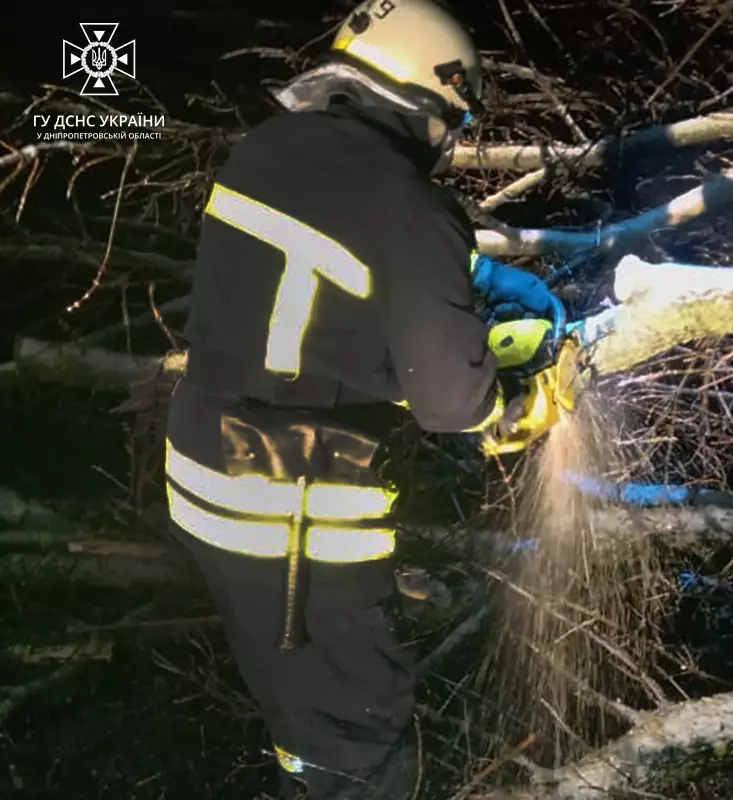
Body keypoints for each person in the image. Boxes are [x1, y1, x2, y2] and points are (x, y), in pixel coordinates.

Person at [162, 1, 563, 797]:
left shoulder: (269, 150)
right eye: (453, 121)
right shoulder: (407, 204)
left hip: (204, 465)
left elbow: (329, 260)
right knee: (357, 731)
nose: (448, 141)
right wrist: (519, 403)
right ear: (429, 98)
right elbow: (453, 403)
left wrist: (473, 278)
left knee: (298, 706)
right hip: (292, 507)